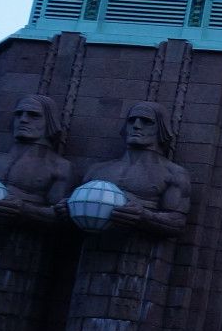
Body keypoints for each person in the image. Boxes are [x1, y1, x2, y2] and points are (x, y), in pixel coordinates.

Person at [75, 100, 191, 236]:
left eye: (146, 121)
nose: (136, 126)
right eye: (131, 121)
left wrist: (145, 216)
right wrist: (67, 207)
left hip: (140, 252)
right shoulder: (96, 170)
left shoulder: (174, 173)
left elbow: (178, 222)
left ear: (161, 128)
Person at [0, 95, 73, 225]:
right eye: (19, 114)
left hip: (22, 241)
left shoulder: (60, 166)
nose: (23, 120)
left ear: (50, 121)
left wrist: (25, 210)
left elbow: (62, 217)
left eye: (33, 115)